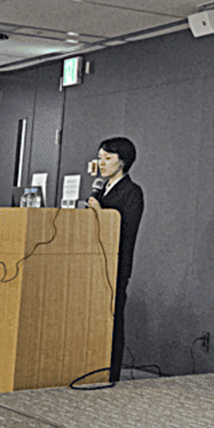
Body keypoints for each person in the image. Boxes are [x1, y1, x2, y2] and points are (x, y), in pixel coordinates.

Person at [87, 137, 144, 383]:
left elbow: (126, 231)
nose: (102, 163)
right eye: (100, 158)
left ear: (123, 162)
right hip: (94, 263)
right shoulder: (101, 190)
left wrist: (100, 214)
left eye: (108, 158)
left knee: (113, 318)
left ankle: (112, 372)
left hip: (116, 265)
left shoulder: (132, 192)